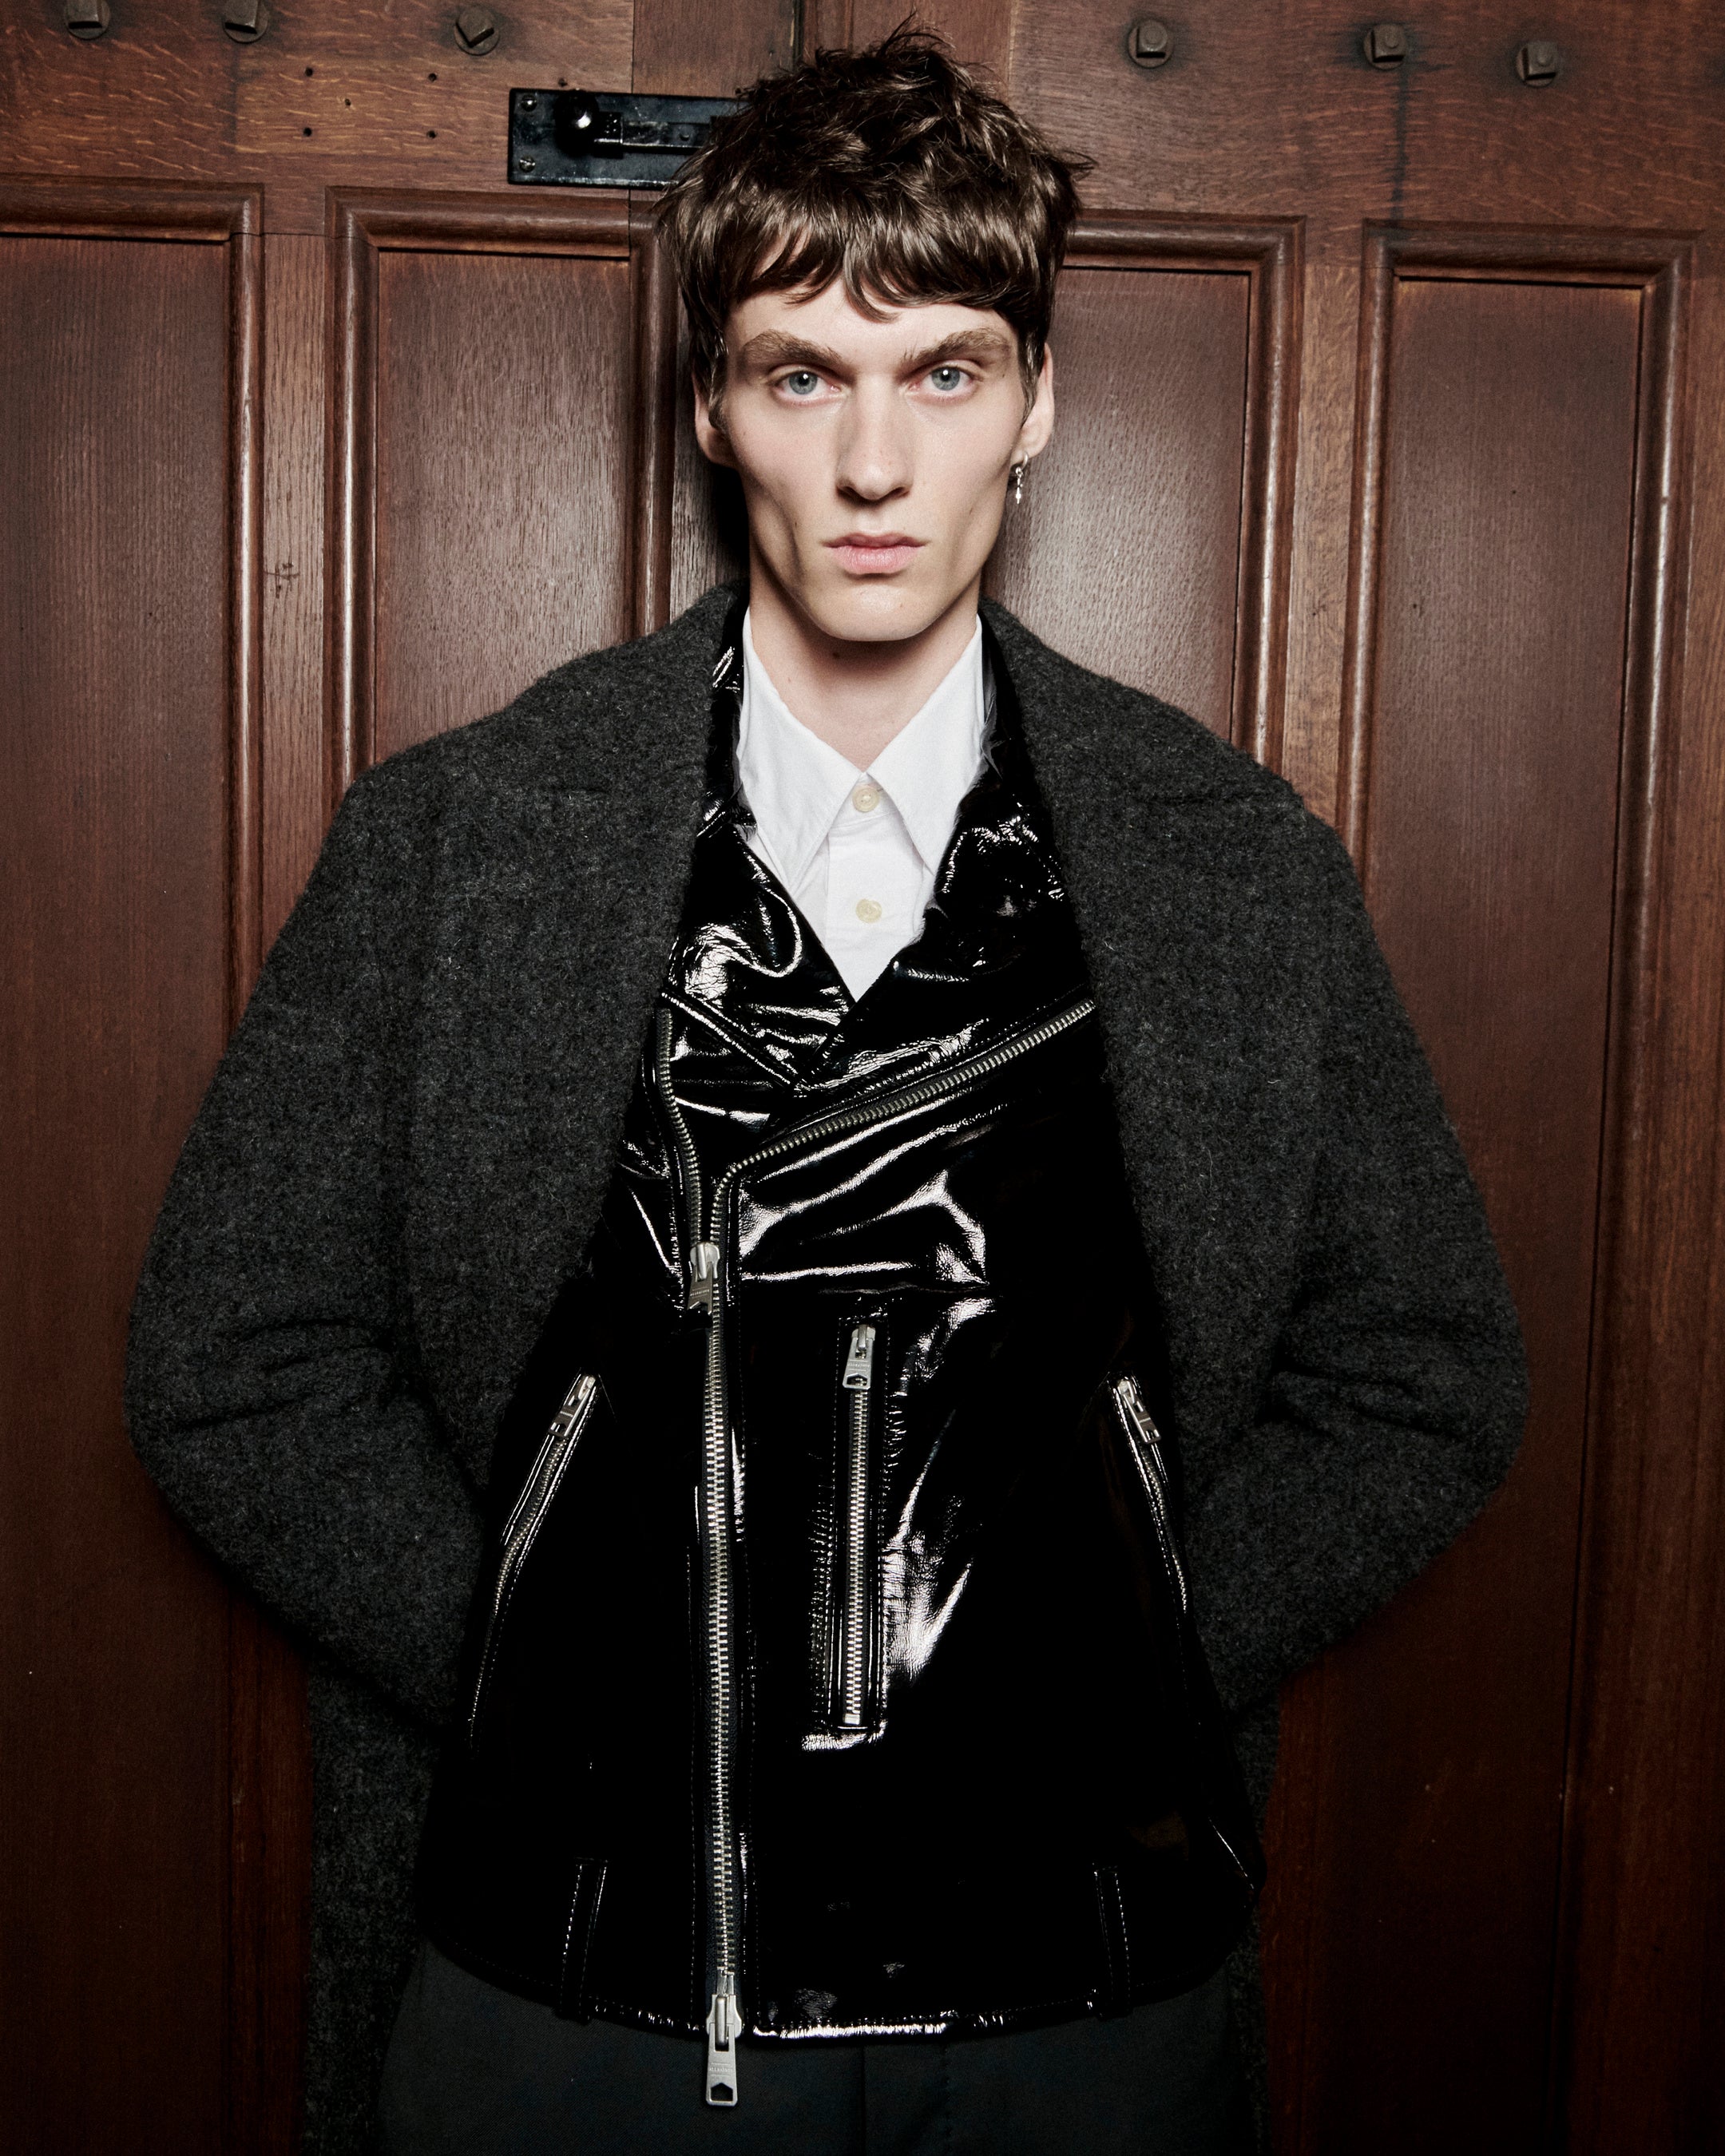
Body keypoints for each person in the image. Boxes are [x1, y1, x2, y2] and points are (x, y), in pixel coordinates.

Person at [125, 29, 1525, 2156]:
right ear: (713, 404)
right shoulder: (465, 836)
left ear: (1036, 400)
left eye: (943, 371)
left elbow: (1422, 1369)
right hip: (573, 1997)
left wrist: (1119, 1671)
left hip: (1081, 2002)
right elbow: (230, 1360)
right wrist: (531, 1669)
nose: (876, 462)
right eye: (805, 374)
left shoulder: (1232, 864)